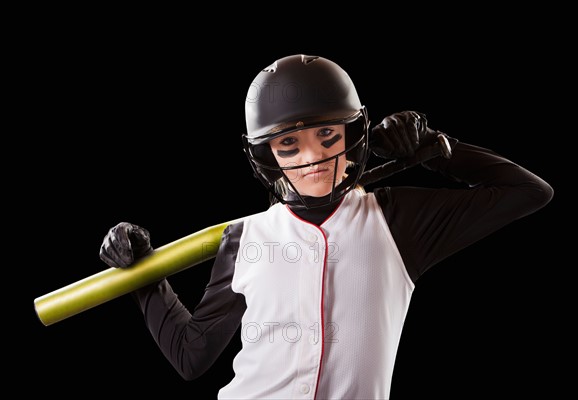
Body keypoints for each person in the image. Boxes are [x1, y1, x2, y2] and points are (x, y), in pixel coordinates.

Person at [99, 54, 553, 399]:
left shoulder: (395, 220)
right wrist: (142, 275)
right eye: (289, 144)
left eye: (328, 136)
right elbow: (191, 356)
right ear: (266, 156)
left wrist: (441, 150)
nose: (313, 158)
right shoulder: (244, 239)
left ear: (354, 136)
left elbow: (529, 192)